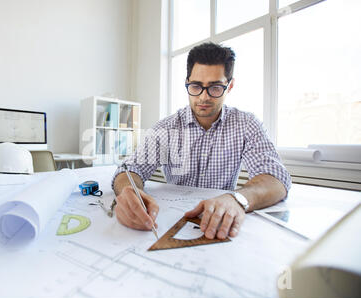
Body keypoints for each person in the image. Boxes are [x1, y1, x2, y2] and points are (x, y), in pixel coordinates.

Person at [111, 41, 291, 240]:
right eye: (196, 86)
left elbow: (276, 180)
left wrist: (237, 199)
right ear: (187, 83)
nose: (204, 97)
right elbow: (129, 170)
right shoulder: (165, 128)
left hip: (222, 222)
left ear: (229, 85)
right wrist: (129, 191)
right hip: (171, 222)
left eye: (215, 88)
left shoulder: (246, 124)